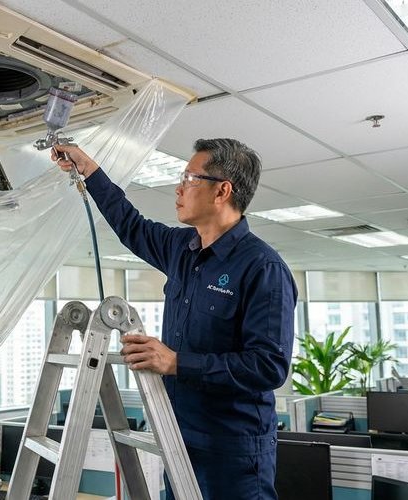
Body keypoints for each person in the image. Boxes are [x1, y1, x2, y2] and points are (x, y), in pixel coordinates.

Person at [53, 139, 297, 500]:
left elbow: (268, 366)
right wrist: (89, 169)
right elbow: (130, 225)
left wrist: (176, 362)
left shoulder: (263, 268)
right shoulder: (182, 249)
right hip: (177, 437)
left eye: (190, 178)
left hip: (232, 449)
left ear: (222, 191)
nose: (178, 188)